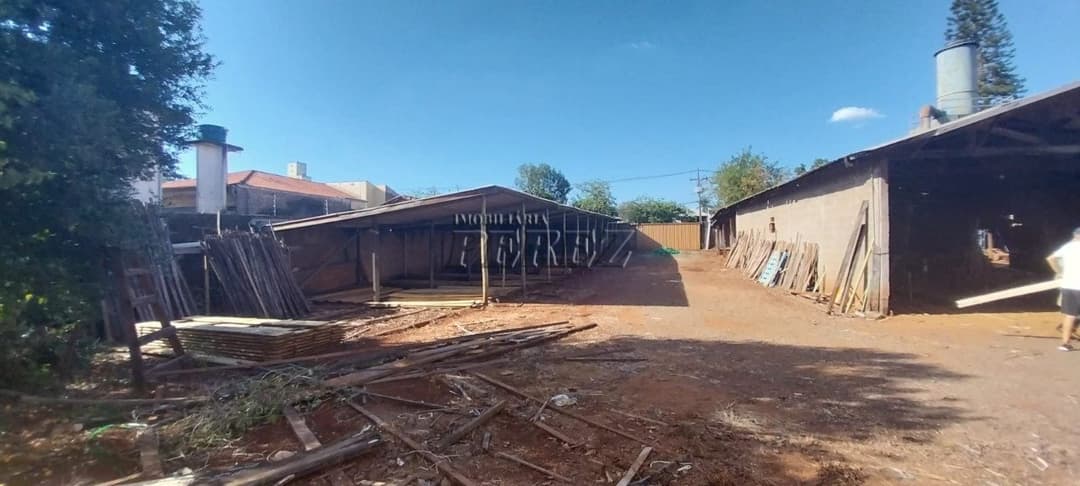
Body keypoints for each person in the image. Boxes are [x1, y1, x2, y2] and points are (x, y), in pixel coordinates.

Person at [1047, 227, 1080, 351]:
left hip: (1067, 285)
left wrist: (1059, 271)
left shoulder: (1068, 247)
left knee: (1069, 315)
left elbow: (1050, 258)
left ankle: (1065, 343)